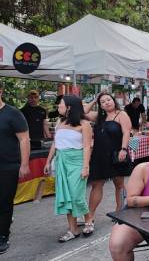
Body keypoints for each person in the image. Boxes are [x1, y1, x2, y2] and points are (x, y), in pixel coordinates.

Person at [43, 95, 92, 242]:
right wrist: (48, 161)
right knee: (66, 196)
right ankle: (73, 229)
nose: (58, 107)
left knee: (77, 196)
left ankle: (88, 219)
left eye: (61, 105)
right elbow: (55, 143)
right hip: (61, 161)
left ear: (69, 107)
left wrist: (85, 166)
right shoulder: (59, 122)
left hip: (77, 161)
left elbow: (87, 147)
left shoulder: (84, 124)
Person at [83, 93, 132, 236]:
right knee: (96, 185)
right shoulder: (99, 117)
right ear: (100, 105)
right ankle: (90, 217)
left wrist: (123, 149)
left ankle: (120, 212)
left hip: (116, 154)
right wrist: (94, 99)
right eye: (103, 101)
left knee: (119, 184)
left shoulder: (121, 114)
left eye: (108, 99)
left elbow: (126, 132)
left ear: (113, 100)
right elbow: (82, 112)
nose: (106, 103)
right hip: (99, 155)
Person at [0, 81, 30, 254]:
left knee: (4, 202)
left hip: (8, 166)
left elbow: (24, 139)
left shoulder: (13, 114)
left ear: (1, 91)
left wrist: (24, 164)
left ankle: (3, 236)